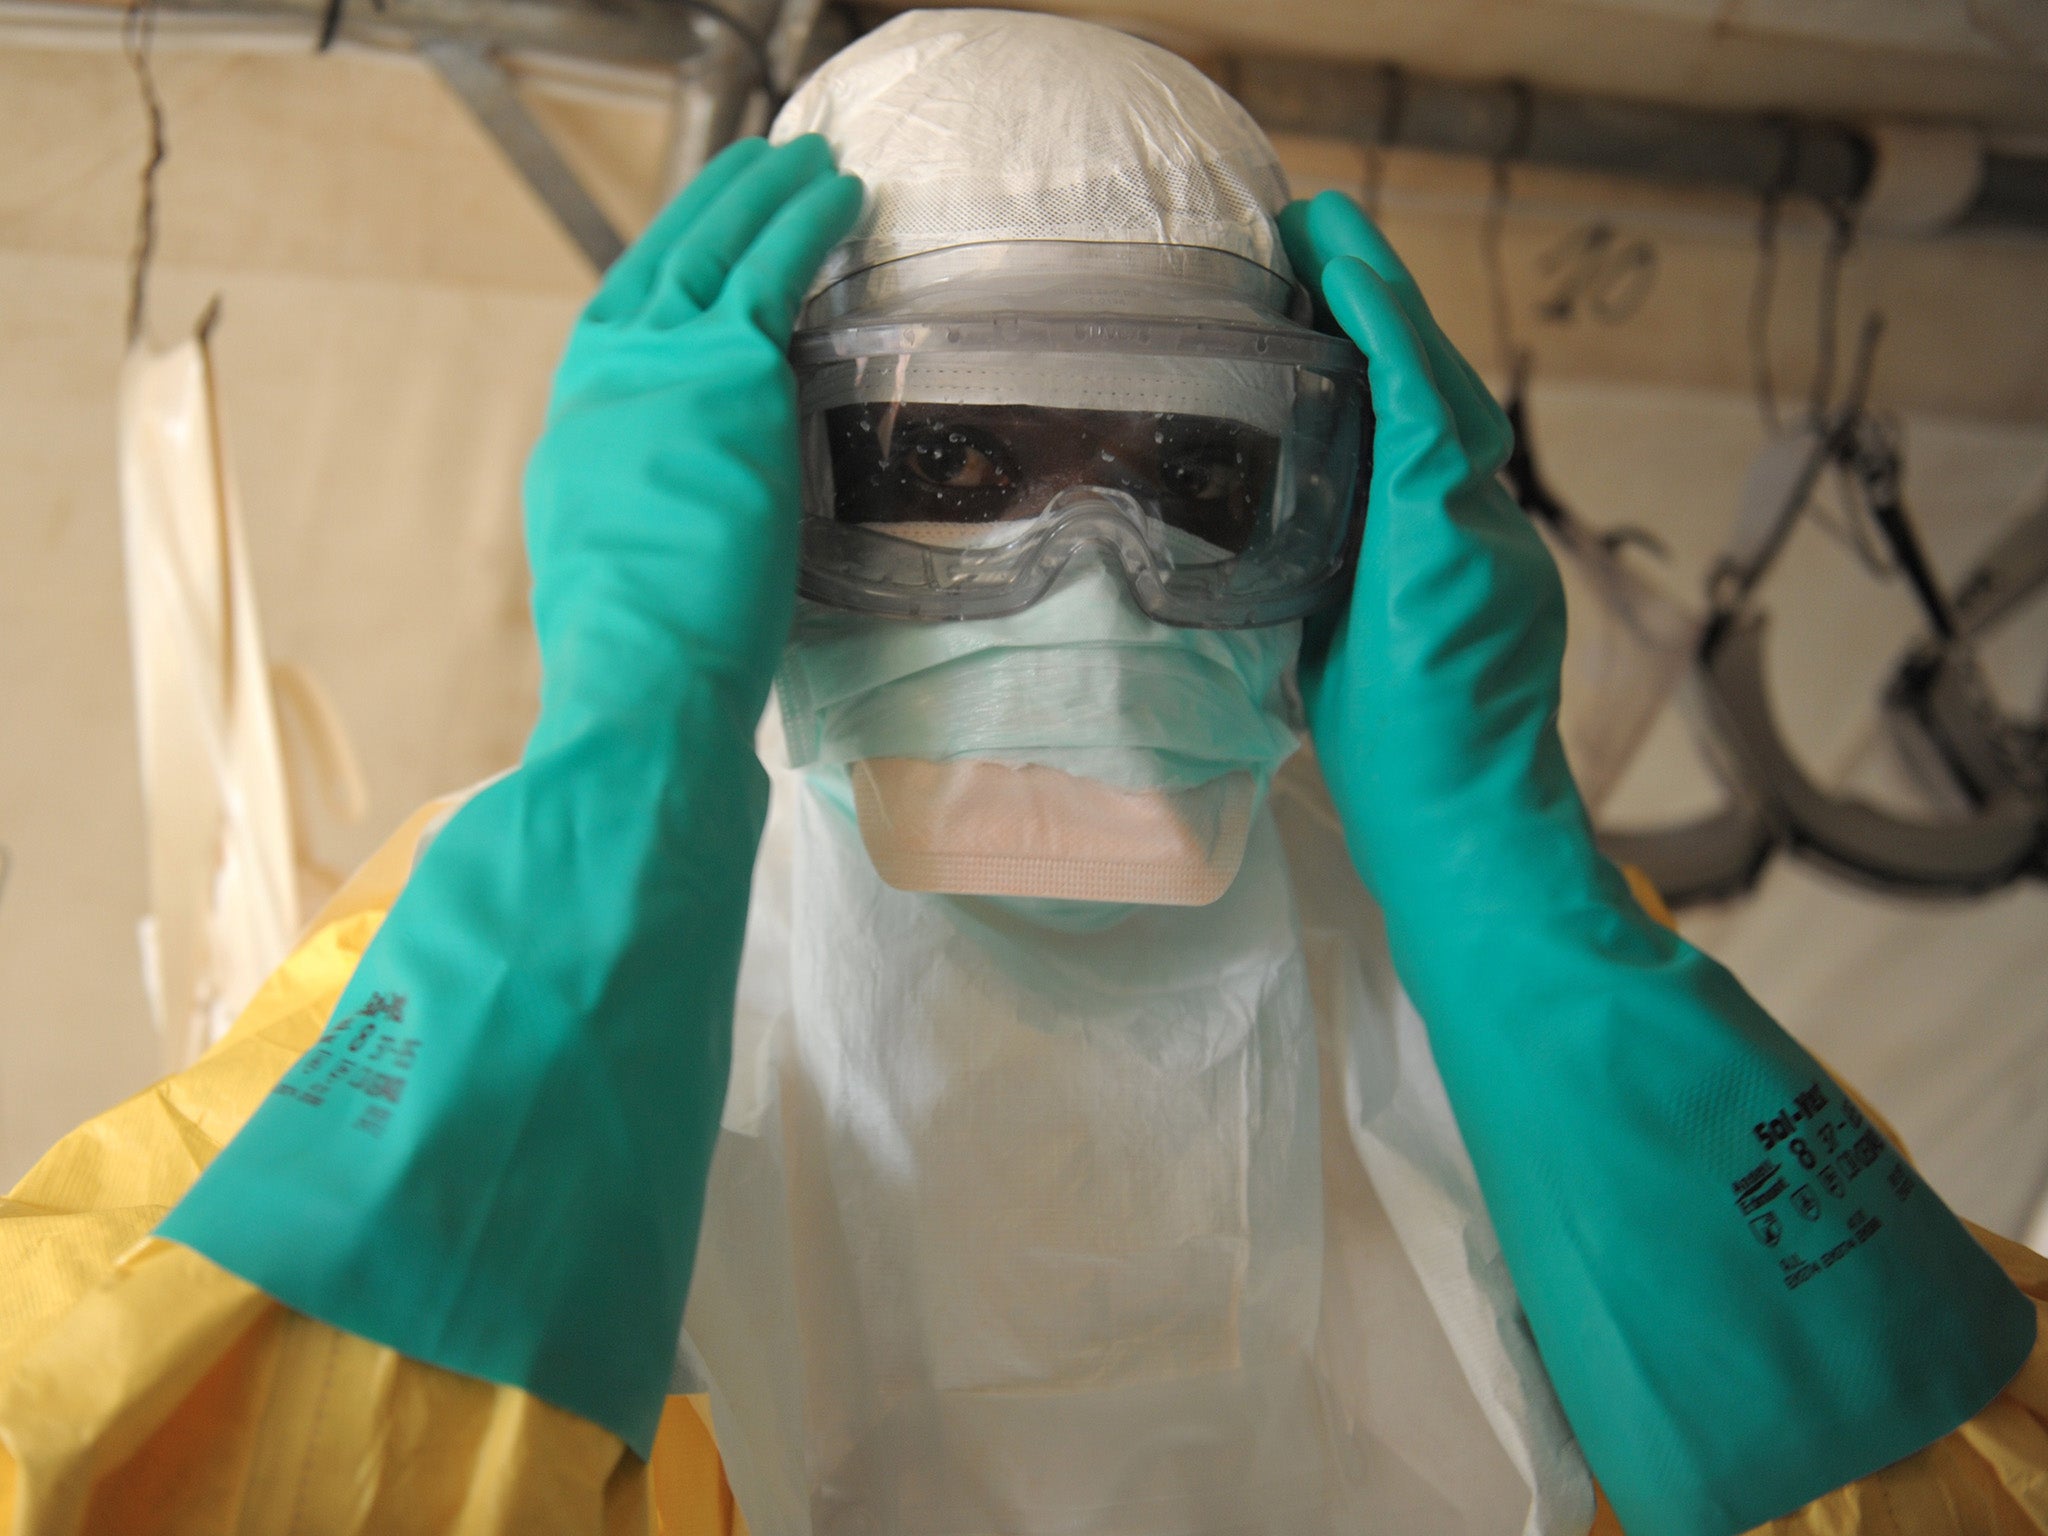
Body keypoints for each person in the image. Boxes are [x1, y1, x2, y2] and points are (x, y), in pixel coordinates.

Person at [2, 11, 2043, 1536]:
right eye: (950, 465)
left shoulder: (1533, 996)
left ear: (1329, 512)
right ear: (757, 496)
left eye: (1187, 473)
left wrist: (1506, 885)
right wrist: (626, 778)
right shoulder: (524, 931)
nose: (1090, 584)